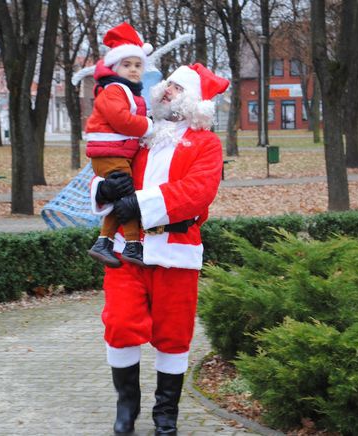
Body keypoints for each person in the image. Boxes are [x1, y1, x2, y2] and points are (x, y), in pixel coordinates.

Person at [90, 63, 229, 434]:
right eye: (166, 84)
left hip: (176, 252)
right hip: (125, 250)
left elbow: (197, 192)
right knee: (119, 325)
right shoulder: (140, 136)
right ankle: (126, 407)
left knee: (173, 335)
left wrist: (139, 204)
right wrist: (101, 191)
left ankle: (166, 415)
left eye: (176, 87)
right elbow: (107, 164)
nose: (166, 90)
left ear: (195, 101)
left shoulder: (207, 144)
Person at [86, 22, 154, 268]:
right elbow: (122, 121)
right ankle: (133, 246)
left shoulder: (128, 92)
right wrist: (149, 126)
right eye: (127, 65)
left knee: (121, 196)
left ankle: (104, 242)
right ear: (115, 66)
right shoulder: (113, 90)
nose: (134, 70)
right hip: (109, 153)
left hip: (116, 153)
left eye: (138, 65)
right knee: (126, 196)